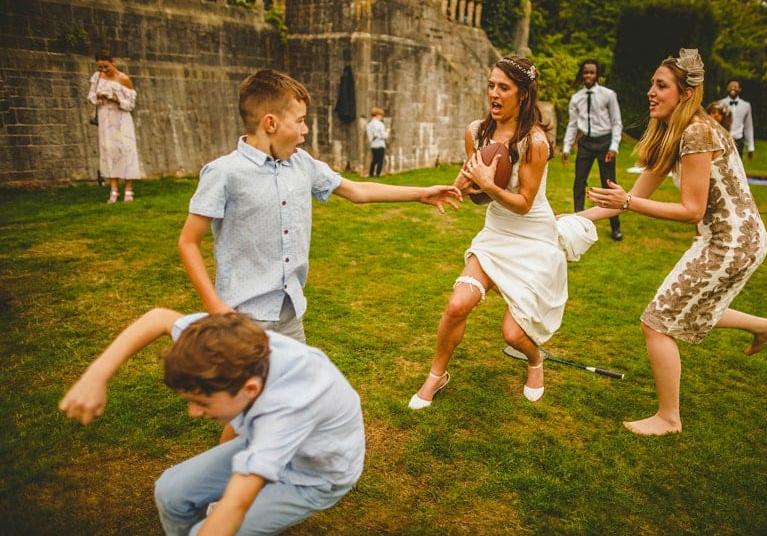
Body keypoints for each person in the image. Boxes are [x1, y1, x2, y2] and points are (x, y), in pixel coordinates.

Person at [579, 49, 767, 436]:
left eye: (661, 86)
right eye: (652, 84)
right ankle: (763, 326)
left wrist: (627, 201)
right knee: (690, 309)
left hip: (731, 241)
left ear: (685, 93)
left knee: (656, 322)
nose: (651, 92)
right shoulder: (675, 133)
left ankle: (668, 419)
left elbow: (691, 209)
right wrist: (565, 221)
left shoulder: (698, 132)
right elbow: (628, 200)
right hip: (730, 239)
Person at [178, 69, 460, 344]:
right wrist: (215, 307)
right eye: (300, 121)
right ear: (270, 123)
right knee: (247, 391)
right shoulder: (224, 173)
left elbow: (358, 190)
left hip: (290, 314)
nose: (305, 130)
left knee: (296, 389)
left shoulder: (303, 163)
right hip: (241, 318)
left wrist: (422, 193)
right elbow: (188, 242)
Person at [59, 309, 364, 535]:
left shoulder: (287, 409)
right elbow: (160, 318)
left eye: (202, 402)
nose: (193, 412)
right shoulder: (230, 347)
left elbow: (235, 503)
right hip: (270, 441)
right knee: (170, 492)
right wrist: (96, 376)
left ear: (250, 389)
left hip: (313, 477)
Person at [409, 55, 567, 409]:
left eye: (504, 88)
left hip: (533, 237)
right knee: (456, 306)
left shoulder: (534, 141)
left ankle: (534, 359)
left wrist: (486, 185)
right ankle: (436, 377)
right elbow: (482, 199)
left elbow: (524, 202)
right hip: (497, 232)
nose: (494, 94)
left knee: (513, 334)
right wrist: (464, 188)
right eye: (491, 86)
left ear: (523, 94)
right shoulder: (476, 132)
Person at [562, 59, 624, 241]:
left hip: (605, 143)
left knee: (609, 185)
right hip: (585, 143)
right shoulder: (576, 98)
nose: (588, 76)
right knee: (579, 182)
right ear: (582, 74)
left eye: (592, 72)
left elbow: (616, 122)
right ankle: (578, 226)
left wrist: (613, 147)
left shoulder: (608, 95)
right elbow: (573, 125)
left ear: (597, 75)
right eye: (586, 72)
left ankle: (615, 227)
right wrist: (566, 147)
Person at [88, 50, 141, 203]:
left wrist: (116, 99)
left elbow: (130, 105)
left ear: (112, 63)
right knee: (109, 152)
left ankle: (129, 189)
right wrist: (98, 97)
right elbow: (91, 96)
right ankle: (114, 190)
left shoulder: (123, 79)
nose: (103, 70)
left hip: (121, 120)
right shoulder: (97, 78)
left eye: (106, 66)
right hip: (105, 121)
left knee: (125, 151)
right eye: (100, 67)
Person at [719, 79, 754, 160]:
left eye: (735, 87)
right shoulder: (720, 103)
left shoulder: (746, 105)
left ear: (740, 89)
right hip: (723, 140)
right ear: (727, 88)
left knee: (737, 166)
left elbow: (748, 127)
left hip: (738, 141)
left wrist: (750, 147)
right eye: (730, 87)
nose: (732, 89)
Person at [366, 106, 388, 177]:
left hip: (373, 144)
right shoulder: (380, 124)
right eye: (381, 115)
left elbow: (370, 135)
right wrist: (387, 133)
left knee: (374, 160)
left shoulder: (369, 124)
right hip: (380, 144)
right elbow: (382, 135)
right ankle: (378, 174)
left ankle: (371, 173)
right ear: (377, 115)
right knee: (380, 161)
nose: (382, 117)